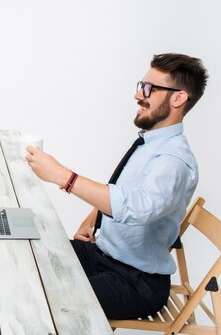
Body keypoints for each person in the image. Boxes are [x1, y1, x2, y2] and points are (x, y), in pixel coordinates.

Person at [26, 53, 208, 319]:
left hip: (136, 281)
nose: (138, 95)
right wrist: (94, 218)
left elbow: (136, 207)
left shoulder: (174, 161)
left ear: (178, 98)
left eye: (149, 88)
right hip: (104, 254)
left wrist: (62, 176)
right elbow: (124, 189)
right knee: (29, 260)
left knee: (45, 299)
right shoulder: (152, 142)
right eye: (140, 86)